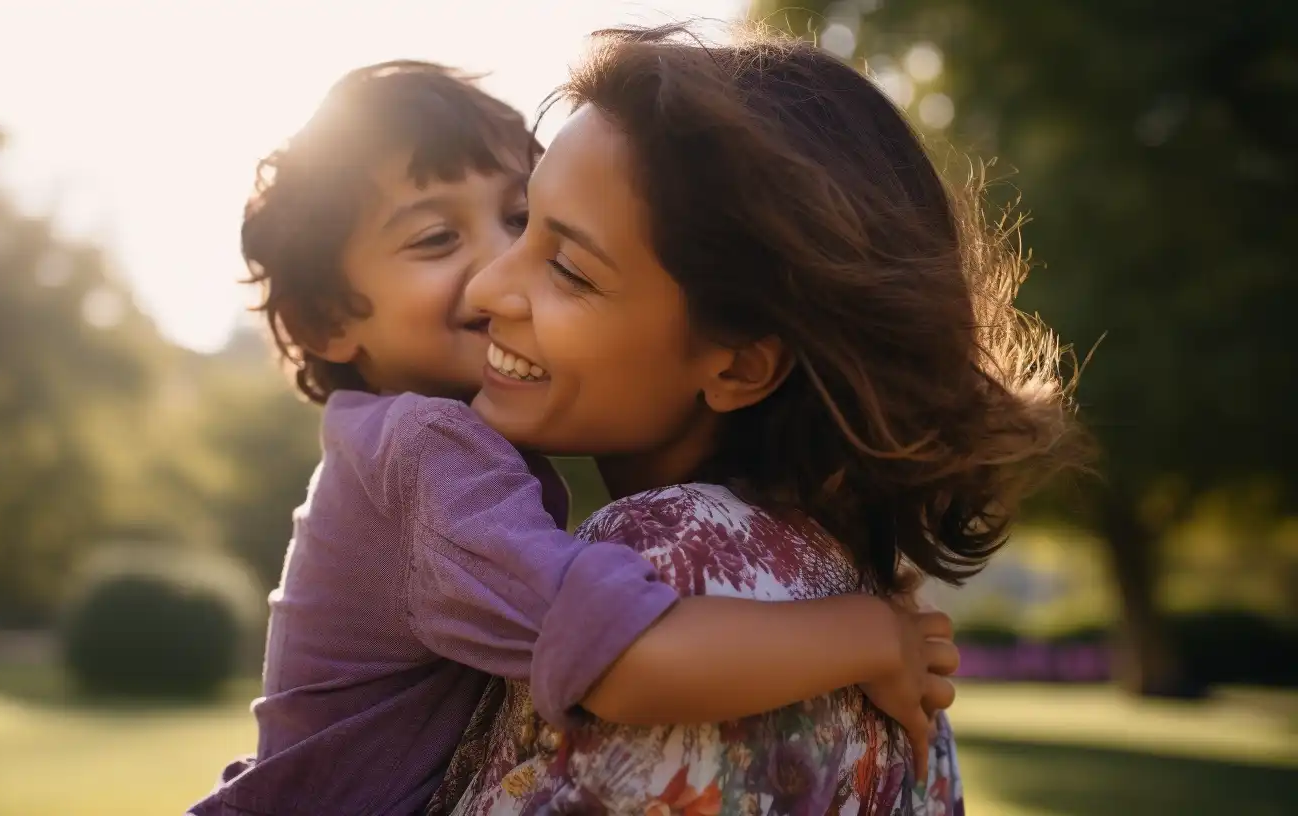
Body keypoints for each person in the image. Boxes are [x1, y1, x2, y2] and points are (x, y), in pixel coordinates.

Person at [188, 60, 959, 816]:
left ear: (742, 364)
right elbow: (615, 658)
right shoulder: (425, 448)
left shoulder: (424, 457)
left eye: (527, 227)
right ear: (326, 322)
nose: (492, 271)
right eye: (433, 240)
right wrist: (867, 633)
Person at [447, 23, 1089, 815]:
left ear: (741, 365)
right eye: (523, 225)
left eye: (569, 269)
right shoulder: (864, 597)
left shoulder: (666, 564)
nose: (483, 291)